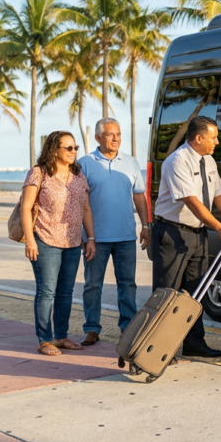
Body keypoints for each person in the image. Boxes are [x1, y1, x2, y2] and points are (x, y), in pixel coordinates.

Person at [151, 115, 221, 358]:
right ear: (199, 138)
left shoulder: (208, 160)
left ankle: (194, 343)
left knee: (197, 291)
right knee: (167, 292)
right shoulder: (177, 161)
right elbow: (191, 202)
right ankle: (158, 349)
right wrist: (219, 228)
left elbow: (218, 194)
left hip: (197, 234)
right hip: (172, 233)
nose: (217, 142)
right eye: (214, 137)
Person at [20, 131, 96, 356]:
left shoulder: (78, 176)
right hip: (45, 239)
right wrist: (30, 241)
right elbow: (26, 208)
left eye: (75, 148)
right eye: (68, 148)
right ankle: (44, 339)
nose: (74, 152)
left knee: (65, 292)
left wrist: (90, 238)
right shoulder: (38, 173)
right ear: (54, 149)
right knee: (46, 291)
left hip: (72, 242)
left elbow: (86, 209)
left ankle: (61, 336)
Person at [77, 118, 150, 346]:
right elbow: (78, 202)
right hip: (95, 239)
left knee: (127, 284)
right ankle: (91, 328)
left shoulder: (130, 162)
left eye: (118, 133)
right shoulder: (84, 163)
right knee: (92, 285)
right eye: (110, 134)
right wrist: (84, 237)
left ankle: (127, 328)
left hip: (126, 236)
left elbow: (139, 196)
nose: (116, 138)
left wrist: (146, 226)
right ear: (98, 138)